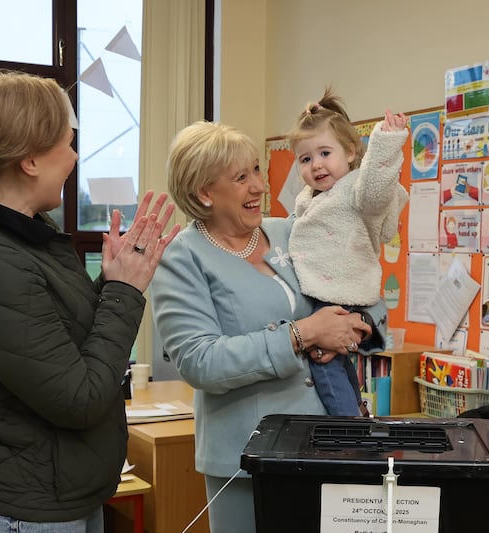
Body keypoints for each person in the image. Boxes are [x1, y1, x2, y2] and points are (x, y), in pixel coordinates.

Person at [0, 69, 180, 532]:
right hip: (21, 510)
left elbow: (63, 347)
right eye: (66, 142)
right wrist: (125, 292)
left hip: (58, 491)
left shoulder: (26, 240)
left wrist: (111, 282)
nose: (74, 156)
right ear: (29, 160)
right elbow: (78, 398)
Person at [150, 120, 383, 533]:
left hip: (330, 443)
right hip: (247, 459)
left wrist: (359, 324)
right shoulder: (182, 257)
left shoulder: (292, 229)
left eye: (257, 170)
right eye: (241, 177)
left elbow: (358, 283)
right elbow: (200, 361)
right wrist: (303, 334)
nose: (259, 186)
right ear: (205, 193)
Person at [286, 89, 409, 416]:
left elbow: (376, 189)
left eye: (326, 153)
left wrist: (386, 141)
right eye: (306, 159)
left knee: (323, 362)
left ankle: (347, 424)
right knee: (338, 364)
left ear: (352, 153)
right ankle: (355, 411)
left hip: (337, 292)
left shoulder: (357, 190)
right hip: (330, 291)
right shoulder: (312, 199)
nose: (316, 165)